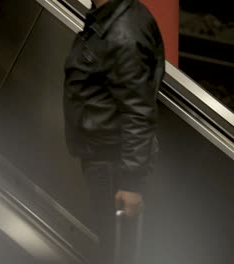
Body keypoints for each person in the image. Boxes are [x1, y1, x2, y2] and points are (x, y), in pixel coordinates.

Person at [63, 0, 165, 263]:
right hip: (107, 158)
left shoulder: (124, 32)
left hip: (113, 166)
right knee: (113, 245)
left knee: (116, 251)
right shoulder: (114, 15)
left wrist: (130, 183)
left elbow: (138, 111)